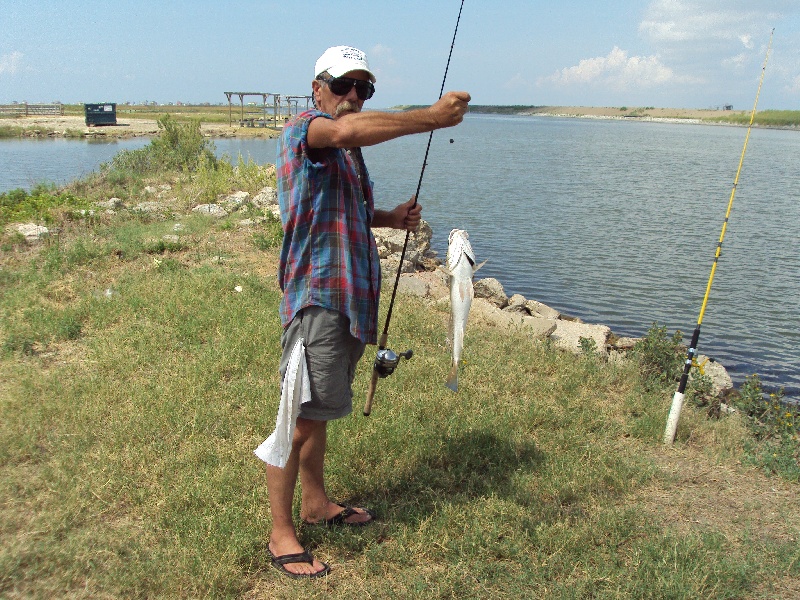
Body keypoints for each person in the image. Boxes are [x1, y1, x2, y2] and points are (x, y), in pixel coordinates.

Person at [263, 45, 470, 579]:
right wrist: (432, 117)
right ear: (316, 88)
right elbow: (346, 132)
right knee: (298, 418)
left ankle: (316, 504)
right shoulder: (305, 130)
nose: (353, 96)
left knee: (320, 410)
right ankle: (281, 534)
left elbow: (344, 209)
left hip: (350, 302)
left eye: (364, 89)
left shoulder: (349, 155)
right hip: (318, 297)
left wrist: (390, 216)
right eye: (342, 84)